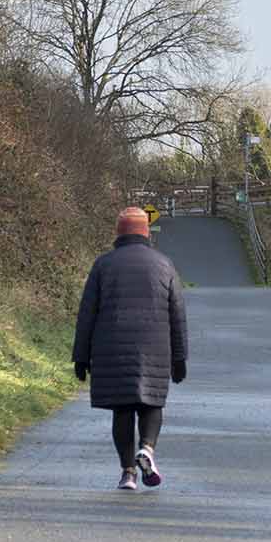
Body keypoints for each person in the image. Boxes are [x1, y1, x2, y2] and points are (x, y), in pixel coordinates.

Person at [72, 207, 188, 490]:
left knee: (122, 409)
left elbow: (87, 312)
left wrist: (80, 357)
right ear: (146, 233)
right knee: (151, 404)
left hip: (112, 348)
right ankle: (146, 448)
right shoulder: (164, 264)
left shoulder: (103, 265)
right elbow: (177, 314)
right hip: (155, 348)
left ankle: (128, 473)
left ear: (118, 232)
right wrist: (180, 357)